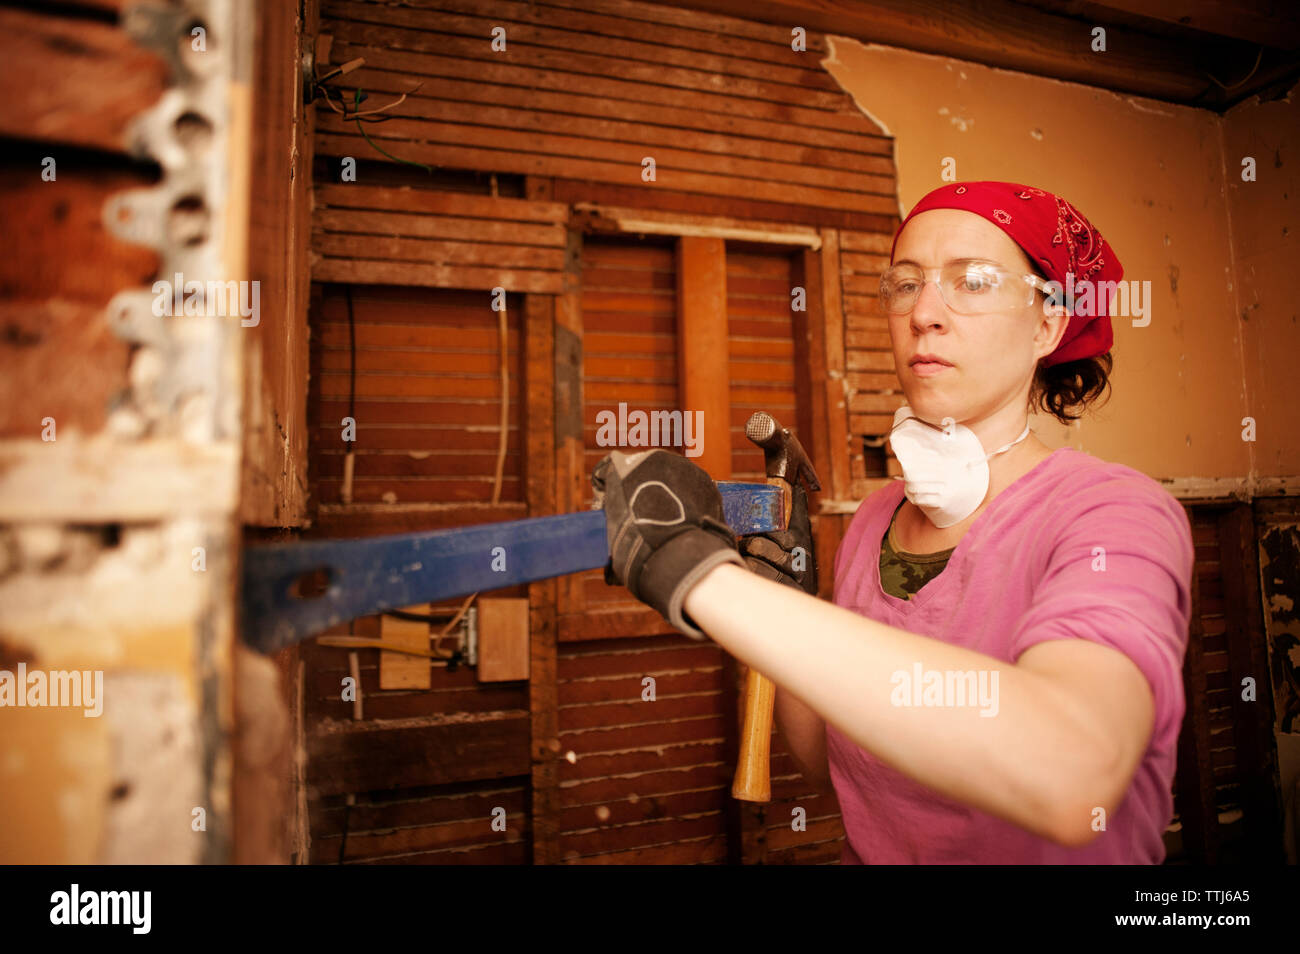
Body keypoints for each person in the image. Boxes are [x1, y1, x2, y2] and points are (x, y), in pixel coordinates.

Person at [590, 181, 1194, 864]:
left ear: (1048, 324)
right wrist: (787, 606)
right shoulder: (877, 517)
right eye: (905, 285)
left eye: (974, 281)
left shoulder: (1115, 513)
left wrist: (701, 577)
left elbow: (1071, 771)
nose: (925, 313)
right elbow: (831, 766)